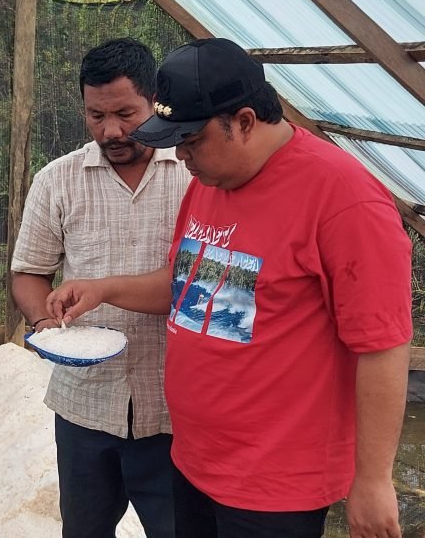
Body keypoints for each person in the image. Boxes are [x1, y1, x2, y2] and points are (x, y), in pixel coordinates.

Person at [45, 37, 413, 538]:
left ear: (242, 122)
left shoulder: (342, 198)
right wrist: (104, 288)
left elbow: (383, 346)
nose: (181, 157)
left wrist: (373, 480)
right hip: (194, 461)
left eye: (191, 142)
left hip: (273, 485)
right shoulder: (212, 181)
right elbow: (190, 289)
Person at [10, 37, 191, 538]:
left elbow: (199, 285)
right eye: (96, 116)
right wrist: (46, 324)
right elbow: (28, 270)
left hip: (175, 411)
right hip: (84, 406)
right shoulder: (58, 180)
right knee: (85, 530)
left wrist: (105, 288)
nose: (110, 130)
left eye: (125, 114)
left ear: (154, 102)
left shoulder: (195, 173)